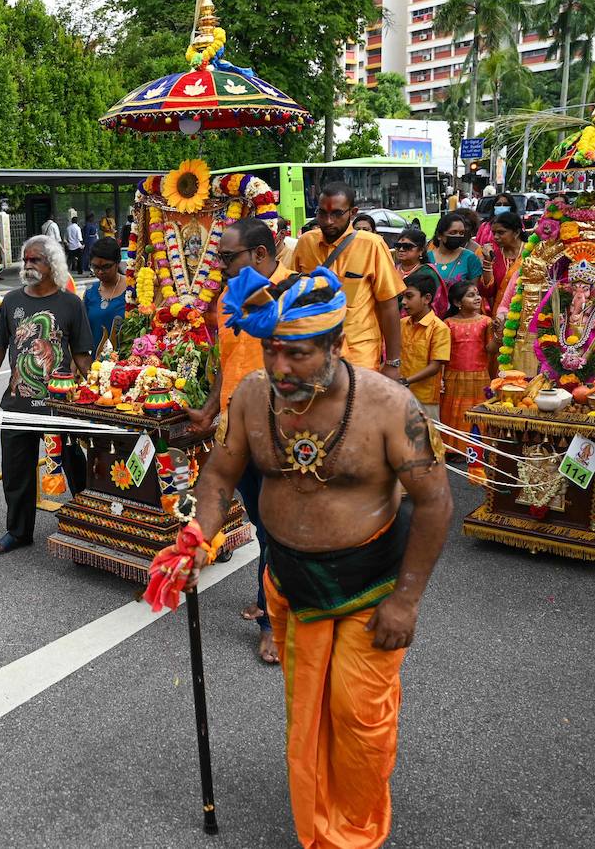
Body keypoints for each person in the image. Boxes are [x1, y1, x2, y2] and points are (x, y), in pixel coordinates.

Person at [154, 266, 451, 849]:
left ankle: (356, 836)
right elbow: (218, 476)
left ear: (337, 345)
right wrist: (197, 538)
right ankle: (318, 826)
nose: (281, 369)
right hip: (289, 580)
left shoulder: (393, 407)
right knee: (309, 715)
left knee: (359, 719)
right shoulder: (250, 398)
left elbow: (435, 503)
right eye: (271, 351)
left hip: (369, 587)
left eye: (298, 354)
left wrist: (407, 600)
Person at [185, 218, 292, 665]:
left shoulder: (295, 296)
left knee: (276, 529)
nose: (219, 266)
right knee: (261, 526)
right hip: (235, 432)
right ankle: (268, 601)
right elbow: (226, 361)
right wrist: (212, 409)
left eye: (228, 258)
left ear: (261, 255)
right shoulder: (230, 298)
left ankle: (273, 622)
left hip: (279, 435)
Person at [0, 236, 90, 555]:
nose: (27, 265)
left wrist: (94, 388)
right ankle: (19, 531)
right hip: (17, 405)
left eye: (35, 260)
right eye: (25, 260)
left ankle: (90, 522)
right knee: (15, 472)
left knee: (74, 464)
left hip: (59, 406)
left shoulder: (70, 303)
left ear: (51, 265)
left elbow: (81, 354)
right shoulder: (12, 301)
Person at [291, 182, 404, 378]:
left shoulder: (372, 245)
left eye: (336, 214)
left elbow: (389, 305)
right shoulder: (305, 243)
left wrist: (393, 362)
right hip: (314, 351)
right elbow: (292, 294)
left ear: (352, 212)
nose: (328, 221)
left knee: (356, 407)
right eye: (322, 213)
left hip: (359, 353)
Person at [439, 281, 495, 438]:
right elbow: (443, 355)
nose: (477, 298)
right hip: (453, 377)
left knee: (476, 412)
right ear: (457, 302)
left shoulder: (486, 321)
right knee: (454, 413)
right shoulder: (448, 323)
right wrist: (441, 379)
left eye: (477, 294)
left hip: (479, 377)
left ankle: (476, 448)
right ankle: (453, 449)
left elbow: (491, 349)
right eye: (471, 295)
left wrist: (498, 336)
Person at [399, 272, 451, 421]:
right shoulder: (402, 324)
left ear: (427, 298)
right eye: (403, 297)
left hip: (425, 399)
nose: (403, 302)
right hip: (400, 394)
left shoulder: (439, 328)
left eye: (409, 297)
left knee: (426, 441)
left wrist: (406, 381)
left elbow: (435, 367)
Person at [82, 237, 126, 350]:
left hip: (128, 363)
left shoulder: (132, 288)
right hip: (96, 364)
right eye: (95, 267)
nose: (100, 272)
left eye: (106, 266)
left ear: (117, 263)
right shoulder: (90, 293)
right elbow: (81, 332)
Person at [394, 228, 449, 317]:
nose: (401, 249)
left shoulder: (428, 273)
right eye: (398, 245)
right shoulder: (391, 270)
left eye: (407, 246)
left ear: (421, 251)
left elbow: (435, 304)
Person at [428, 213, 483, 292]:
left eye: (461, 233)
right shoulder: (427, 257)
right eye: (453, 233)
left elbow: (473, 292)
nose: (458, 236)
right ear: (440, 235)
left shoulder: (470, 258)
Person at [488, 212, 525, 321]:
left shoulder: (532, 253)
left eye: (501, 232)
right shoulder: (494, 255)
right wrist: (487, 263)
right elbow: (488, 292)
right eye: (493, 233)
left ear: (517, 232)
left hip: (525, 314)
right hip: (500, 316)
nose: (495, 237)